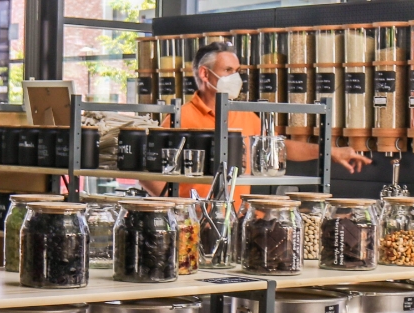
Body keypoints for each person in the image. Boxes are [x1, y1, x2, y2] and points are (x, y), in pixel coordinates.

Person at [141, 42, 371, 198]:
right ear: (204, 74)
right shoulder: (180, 118)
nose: (236, 77)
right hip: (194, 225)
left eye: (238, 70)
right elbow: (148, 173)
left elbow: (280, 148)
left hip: (235, 221)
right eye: (228, 70)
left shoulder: (244, 114)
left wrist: (329, 151)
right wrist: (178, 207)